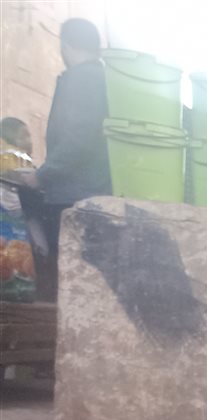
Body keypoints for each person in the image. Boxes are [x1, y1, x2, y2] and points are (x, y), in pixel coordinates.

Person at [14, 18, 110, 300]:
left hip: (76, 196)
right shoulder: (98, 78)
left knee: (71, 281)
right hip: (87, 193)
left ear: (65, 45)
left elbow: (79, 138)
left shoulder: (84, 78)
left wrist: (41, 176)